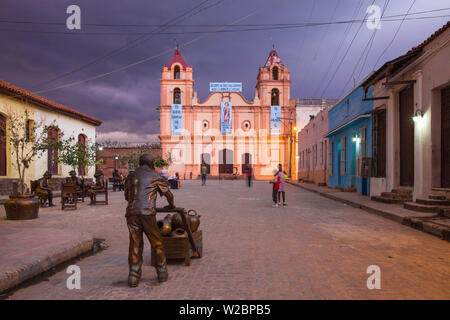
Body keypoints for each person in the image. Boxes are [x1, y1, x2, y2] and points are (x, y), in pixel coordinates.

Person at [124, 153, 175, 287]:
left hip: (132, 213)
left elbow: (127, 196)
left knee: (135, 244)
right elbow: (168, 194)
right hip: (147, 213)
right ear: (152, 164)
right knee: (156, 242)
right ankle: (162, 272)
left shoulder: (131, 176)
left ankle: (133, 276)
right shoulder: (156, 176)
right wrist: (171, 205)